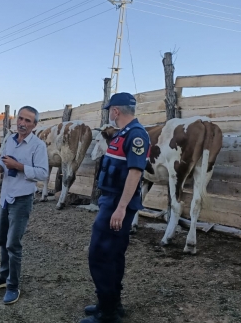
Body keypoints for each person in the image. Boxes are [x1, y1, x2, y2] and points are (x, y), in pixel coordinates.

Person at [80, 92, 150, 323]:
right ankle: (111, 304)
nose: (110, 114)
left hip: (116, 203)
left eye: (110, 110)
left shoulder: (137, 135)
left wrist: (121, 208)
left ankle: (107, 314)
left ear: (116, 111)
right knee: (113, 255)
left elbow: (135, 173)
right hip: (110, 200)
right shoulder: (123, 134)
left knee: (99, 254)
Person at [0, 106, 49, 305]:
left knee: (13, 244)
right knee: (2, 238)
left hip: (22, 199)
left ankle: (13, 286)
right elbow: (2, 161)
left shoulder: (38, 146)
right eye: (20, 118)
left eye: (27, 121)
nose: (22, 123)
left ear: (34, 125)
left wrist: (19, 167)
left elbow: (43, 173)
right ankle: (4, 278)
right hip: (6, 196)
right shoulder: (9, 140)